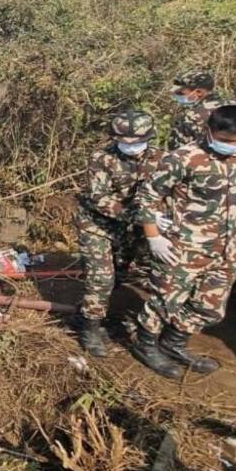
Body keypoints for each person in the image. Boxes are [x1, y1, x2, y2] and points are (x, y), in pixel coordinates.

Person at [132, 105, 236, 379]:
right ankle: (146, 345)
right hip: (183, 247)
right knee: (165, 301)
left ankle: (174, 343)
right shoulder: (183, 158)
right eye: (226, 141)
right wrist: (153, 237)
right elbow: (147, 197)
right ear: (209, 131)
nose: (233, 146)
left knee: (210, 306)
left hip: (224, 250)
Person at [75, 111, 162, 357]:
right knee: (101, 277)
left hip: (132, 230)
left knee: (122, 274)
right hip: (97, 225)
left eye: (137, 141)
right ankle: (90, 328)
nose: (131, 147)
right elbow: (99, 198)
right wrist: (142, 218)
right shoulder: (101, 158)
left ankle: (102, 313)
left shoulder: (161, 159)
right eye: (126, 141)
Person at [168, 70, 227, 150]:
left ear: (199, 92)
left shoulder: (191, 116)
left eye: (180, 93)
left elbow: (178, 151)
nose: (176, 96)